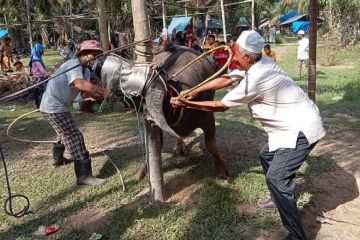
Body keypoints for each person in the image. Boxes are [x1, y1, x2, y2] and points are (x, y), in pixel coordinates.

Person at [171, 30, 326, 240]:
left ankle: (296, 236)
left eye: (235, 53)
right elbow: (227, 79)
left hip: (302, 129)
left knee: (277, 178)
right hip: (288, 129)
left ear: (247, 57)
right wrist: (194, 91)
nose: (232, 57)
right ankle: (276, 198)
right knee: (267, 156)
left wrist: (186, 103)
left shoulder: (258, 77)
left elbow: (220, 105)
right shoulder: (259, 65)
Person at [40, 40, 109, 186]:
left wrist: (95, 95)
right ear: (83, 54)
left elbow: (83, 93)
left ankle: (57, 159)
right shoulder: (74, 65)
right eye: (93, 54)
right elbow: (79, 84)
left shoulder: (86, 71)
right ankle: (84, 176)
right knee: (74, 137)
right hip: (53, 107)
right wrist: (101, 90)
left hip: (57, 106)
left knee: (63, 132)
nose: (95, 58)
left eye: (97, 55)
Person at [29, 43, 48, 108]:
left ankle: (37, 105)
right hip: (39, 79)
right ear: (39, 50)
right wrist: (48, 74)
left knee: (35, 93)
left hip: (35, 78)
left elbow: (31, 69)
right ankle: (41, 105)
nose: (43, 52)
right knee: (42, 92)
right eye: (42, 50)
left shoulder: (33, 57)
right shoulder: (36, 59)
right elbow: (41, 69)